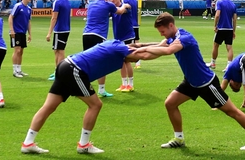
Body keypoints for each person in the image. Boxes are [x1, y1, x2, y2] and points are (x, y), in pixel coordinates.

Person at [134, 13, 245, 151]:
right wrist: (134, 49)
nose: (162, 34)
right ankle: (179, 138)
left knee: (232, 112)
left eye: (162, 31)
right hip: (191, 82)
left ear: (171, 25)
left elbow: (168, 50)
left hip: (206, 83)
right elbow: (156, 49)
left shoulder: (185, 38)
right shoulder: (173, 37)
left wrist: (141, 48)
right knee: (170, 103)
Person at [20, 40, 153, 154]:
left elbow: (141, 45)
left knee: (48, 107)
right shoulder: (123, 52)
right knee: (95, 105)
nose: (137, 59)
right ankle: (83, 145)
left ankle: (28, 143)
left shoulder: (118, 44)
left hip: (65, 65)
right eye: (136, 57)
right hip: (75, 70)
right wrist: (170, 48)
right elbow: (145, 53)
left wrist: (165, 42)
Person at [82, 0, 128, 97]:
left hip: (86, 35)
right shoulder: (108, 5)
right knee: (101, 63)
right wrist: (125, 6)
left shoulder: (92, 4)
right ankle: (101, 90)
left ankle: (83, 87)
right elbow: (120, 11)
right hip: (98, 35)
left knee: (87, 62)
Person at [110, 0, 136, 92]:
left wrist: (124, 6)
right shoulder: (112, 9)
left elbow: (123, 10)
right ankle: (124, 84)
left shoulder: (125, 7)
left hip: (128, 36)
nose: (112, 0)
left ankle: (131, 84)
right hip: (118, 38)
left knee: (127, 60)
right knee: (121, 61)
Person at [207, 0, 237, 71]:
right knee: (229, 47)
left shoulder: (219, 2)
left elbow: (217, 15)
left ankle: (213, 62)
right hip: (229, 29)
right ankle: (229, 66)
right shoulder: (233, 4)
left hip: (221, 28)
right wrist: (233, 31)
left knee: (216, 45)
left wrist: (215, 26)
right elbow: (234, 19)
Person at [46, 0, 70, 81]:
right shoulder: (67, 1)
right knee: (57, 50)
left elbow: (54, 18)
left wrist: (49, 33)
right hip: (66, 29)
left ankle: (59, 73)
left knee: (60, 51)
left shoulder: (58, 1)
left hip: (60, 29)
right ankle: (57, 71)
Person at [9, 0, 33, 78]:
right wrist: (12, 30)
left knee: (21, 51)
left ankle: (19, 70)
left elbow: (28, 22)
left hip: (23, 32)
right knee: (17, 50)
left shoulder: (29, 9)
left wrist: (30, 34)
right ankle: (14, 70)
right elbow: (11, 17)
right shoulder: (18, 6)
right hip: (16, 31)